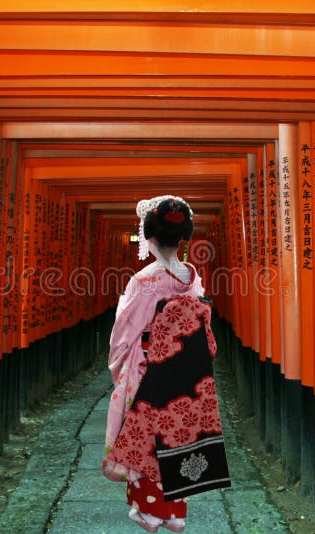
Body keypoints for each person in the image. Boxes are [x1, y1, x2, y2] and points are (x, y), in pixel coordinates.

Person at [102, 196, 231, 533]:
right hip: (186, 371)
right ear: (182, 237)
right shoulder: (192, 277)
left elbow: (124, 335)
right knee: (178, 436)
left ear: (149, 235)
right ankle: (176, 511)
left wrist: (118, 366)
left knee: (146, 440)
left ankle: (151, 511)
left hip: (149, 370)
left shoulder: (144, 281)